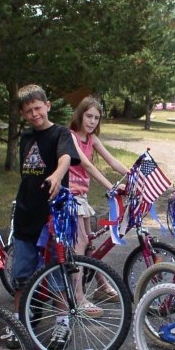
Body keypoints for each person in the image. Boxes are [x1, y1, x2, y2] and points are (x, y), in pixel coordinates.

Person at [11, 85, 80, 320]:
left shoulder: (61, 133)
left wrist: (58, 175)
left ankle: (62, 321)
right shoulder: (26, 137)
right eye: (28, 110)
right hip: (26, 214)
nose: (34, 114)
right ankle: (20, 321)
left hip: (54, 217)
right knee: (21, 275)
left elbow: (65, 158)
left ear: (47, 106)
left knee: (59, 272)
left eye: (38, 108)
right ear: (23, 114)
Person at [67, 96, 128, 312]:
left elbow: (112, 160)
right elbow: (87, 166)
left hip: (81, 197)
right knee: (81, 245)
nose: (92, 121)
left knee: (89, 243)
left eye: (96, 118)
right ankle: (78, 297)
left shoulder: (92, 139)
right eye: (89, 116)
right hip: (68, 196)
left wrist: (133, 175)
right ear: (80, 115)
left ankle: (101, 286)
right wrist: (110, 186)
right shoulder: (71, 136)